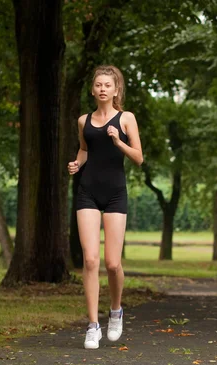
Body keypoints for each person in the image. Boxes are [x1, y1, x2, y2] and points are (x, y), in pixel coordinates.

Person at [67, 65, 143, 349]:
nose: (102, 89)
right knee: (90, 261)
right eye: (98, 84)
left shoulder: (126, 119)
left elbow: (138, 157)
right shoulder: (83, 120)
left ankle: (115, 311)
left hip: (115, 195)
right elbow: (85, 149)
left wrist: (117, 140)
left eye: (107, 85)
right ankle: (92, 325)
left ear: (115, 89)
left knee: (112, 263)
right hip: (87, 191)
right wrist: (77, 163)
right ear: (93, 89)